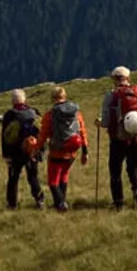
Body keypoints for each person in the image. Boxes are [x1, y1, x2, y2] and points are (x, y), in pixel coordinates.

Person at [100, 66, 137, 211]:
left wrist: (99, 122)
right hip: (136, 137)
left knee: (115, 170)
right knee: (133, 166)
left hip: (117, 138)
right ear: (128, 77)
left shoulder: (112, 95)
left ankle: (118, 202)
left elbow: (106, 121)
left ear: (114, 79)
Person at [37, 85, 87, 213]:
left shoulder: (51, 114)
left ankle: (60, 204)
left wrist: (37, 148)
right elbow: (82, 132)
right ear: (64, 96)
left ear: (53, 98)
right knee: (64, 176)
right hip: (72, 151)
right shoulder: (76, 112)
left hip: (57, 151)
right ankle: (60, 203)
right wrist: (85, 151)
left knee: (53, 181)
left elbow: (43, 134)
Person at [0, 88, 44, 210]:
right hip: (32, 151)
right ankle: (39, 200)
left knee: (13, 178)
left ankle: (12, 204)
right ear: (24, 99)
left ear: (12, 101)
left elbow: (5, 137)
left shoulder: (10, 115)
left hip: (15, 154)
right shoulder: (34, 112)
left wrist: (6, 155)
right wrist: (40, 150)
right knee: (33, 176)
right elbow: (42, 132)